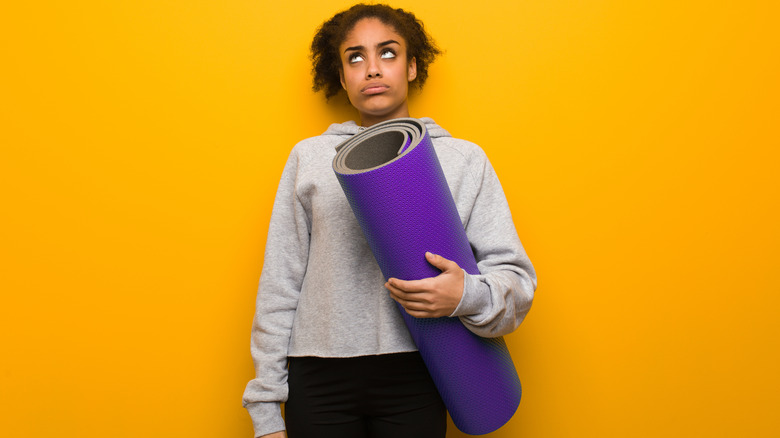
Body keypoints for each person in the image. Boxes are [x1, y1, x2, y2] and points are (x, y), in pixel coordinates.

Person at [242, 4, 537, 438]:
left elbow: (517, 281)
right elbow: (279, 283)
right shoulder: (310, 158)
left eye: (388, 53)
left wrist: (464, 295)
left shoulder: (463, 160)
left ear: (413, 66)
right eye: (355, 57)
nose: (373, 69)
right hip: (318, 376)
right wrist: (265, 411)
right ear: (341, 77)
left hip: (421, 371)